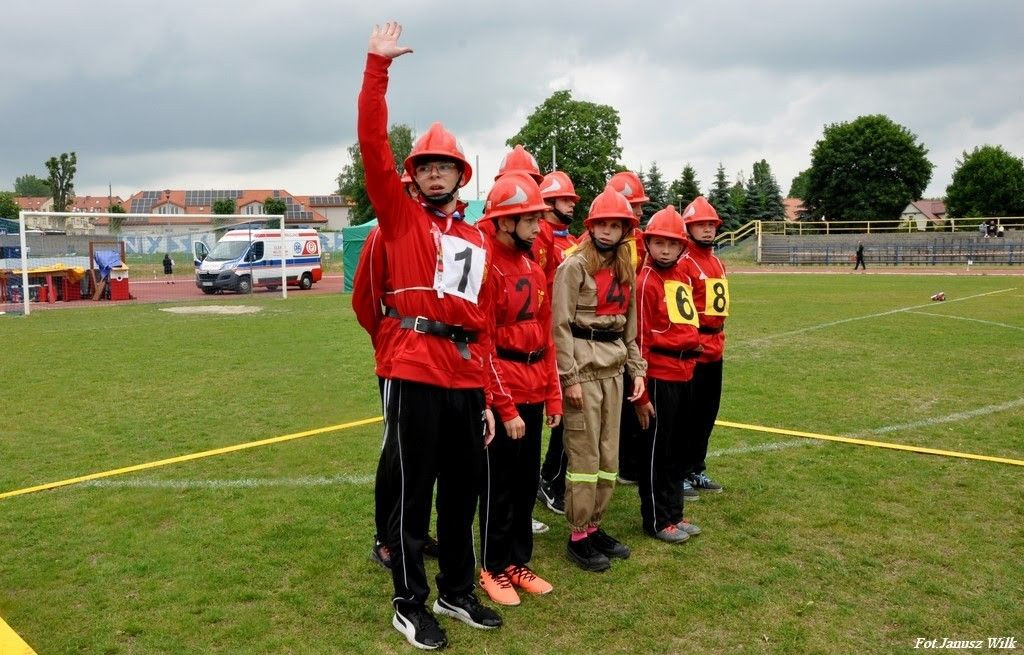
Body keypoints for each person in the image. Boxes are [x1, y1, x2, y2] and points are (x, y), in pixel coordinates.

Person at [358, 21, 503, 650]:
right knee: (414, 492)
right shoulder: (399, 219)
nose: (436, 175)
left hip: (465, 375)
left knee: (463, 491)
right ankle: (409, 601)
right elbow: (372, 146)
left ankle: (456, 589)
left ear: (460, 176)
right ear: (413, 176)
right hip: (414, 368)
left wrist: (490, 397)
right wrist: (377, 68)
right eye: (427, 167)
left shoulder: (475, 238)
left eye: (446, 167)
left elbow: (485, 323)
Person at [476, 173, 562, 606]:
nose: (537, 227)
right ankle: (491, 567)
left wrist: (553, 394)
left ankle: (516, 562)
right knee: (499, 486)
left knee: (526, 483)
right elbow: (484, 341)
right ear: (505, 221)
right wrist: (504, 407)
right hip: (503, 395)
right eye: (529, 219)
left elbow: (546, 336)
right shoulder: (486, 265)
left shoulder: (533, 267)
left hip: (533, 389)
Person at [552, 184, 647, 573]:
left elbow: (630, 328)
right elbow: (559, 327)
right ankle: (578, 536)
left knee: (609, 454)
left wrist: (637, 371)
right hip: (584, 371)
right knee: (584, 455)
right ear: (591, 226)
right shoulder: (573, 267)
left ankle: (595, 526)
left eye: (616, 225)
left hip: (614, 370)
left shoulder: (625, 269)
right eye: (602, 224)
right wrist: (569, 378)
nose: (608, 231)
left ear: (625, 230)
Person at [632, 206, 703, 543]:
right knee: (657, 452)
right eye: (658, 243)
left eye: (672, 244)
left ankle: (674, 512)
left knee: (677, 449)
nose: (665, 250)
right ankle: (657, 519)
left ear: (681, 248)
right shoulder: (646, 281)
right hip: (660, 376)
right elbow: (640, 341)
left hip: (685, 373)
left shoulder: (682, 277)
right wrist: (642, 393)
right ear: (648, 244)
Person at [535, 171, 580, 516]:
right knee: (557, 414)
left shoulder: (571, 240)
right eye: (565, 199)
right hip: (549, 338)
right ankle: (549, 479)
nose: (571, 204)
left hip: (571, 336)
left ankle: (553, 477)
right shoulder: (540, 237)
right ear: (548, 203)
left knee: (568, 414)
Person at [677, 197, 728, 499]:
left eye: (711, 225)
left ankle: (696, 467)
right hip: (694, 349)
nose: (707, 230)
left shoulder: (717, 262)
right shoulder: (684, 263)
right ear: (688, 228)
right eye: (700, 225)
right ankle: (678, 471)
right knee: (686, 416)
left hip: (715, 347)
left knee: (707, 414)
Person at [607, 170, 650, 486]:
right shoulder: (594, 244)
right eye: (635, 205)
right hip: (607, 331)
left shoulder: (641, 241)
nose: (640, 212)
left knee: (630, 392)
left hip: (631, 326)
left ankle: (629, 463)